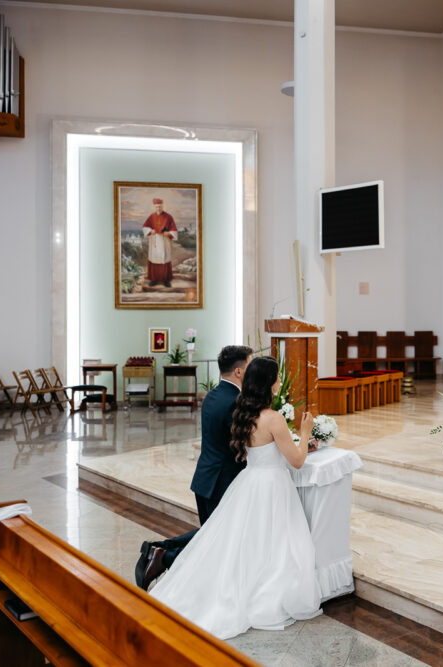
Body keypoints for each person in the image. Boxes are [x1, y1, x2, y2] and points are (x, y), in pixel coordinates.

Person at [149, 356, 323, 640]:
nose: (280, 381)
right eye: (277, 377)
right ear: (268, 382)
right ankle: (262, 590)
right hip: (272, 486)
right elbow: (297, 461)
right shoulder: (274, 418)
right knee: (272, 542)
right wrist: (304, 434)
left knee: (245, 541)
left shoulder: (245, 413)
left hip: (249, 482)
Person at [134, 344, 251, 590]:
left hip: (205, 479)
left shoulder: (212, 395)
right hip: (223, 482)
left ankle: (160, 548)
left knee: (212, 533)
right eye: (249, 365)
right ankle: (164, 557)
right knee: (217, 538)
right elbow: (242, 445)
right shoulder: (235, 402)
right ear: (239, 371)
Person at [142, 197, 179, 287]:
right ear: (154, 207)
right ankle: (154, 279)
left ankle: (166, 280)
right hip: (154, 241)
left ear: (162, 206)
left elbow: (174, 230)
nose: (158, 208)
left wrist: (168, 233)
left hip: (164, 241)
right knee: (154, 260)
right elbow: (145, 227)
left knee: (164, 260)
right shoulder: (151, 216)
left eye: (160, 206)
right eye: (157, 207)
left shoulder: (168, 217)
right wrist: (151, 231)